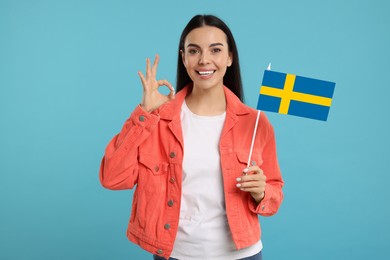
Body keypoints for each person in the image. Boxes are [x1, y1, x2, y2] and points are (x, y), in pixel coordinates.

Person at [99, 14, 284, 260]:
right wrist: (144, 114)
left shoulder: (255, 123)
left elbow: (274, 194)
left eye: (215, 50)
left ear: (229, 57)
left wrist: (261, 192)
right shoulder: (158, 119)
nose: (204, 60)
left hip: (242, 255)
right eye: (194, 51)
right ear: (183, 57)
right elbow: (112, 177)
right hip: (176, 254)